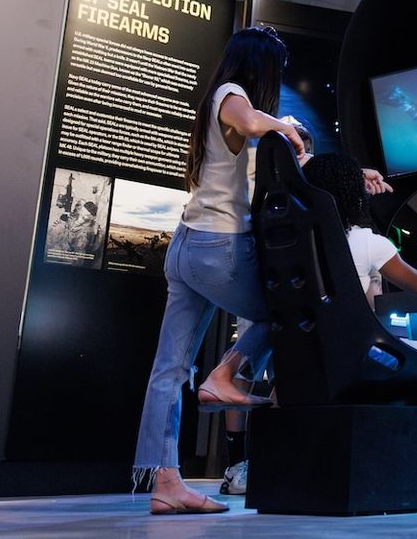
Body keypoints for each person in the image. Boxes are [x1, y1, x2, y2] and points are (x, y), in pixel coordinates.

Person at [131, 27, 305, 515]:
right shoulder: (233, 95)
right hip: (217, 247)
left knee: (169, 368)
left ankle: (166, 482)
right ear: (260, 66)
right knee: (283, 314)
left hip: (186, 245)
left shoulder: (215, 99)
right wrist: (286, 125)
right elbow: (251, 123)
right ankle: (227, 373)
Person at [303, 152, 417, 505]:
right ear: (351, 195)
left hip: (312, 359)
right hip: (365, 358)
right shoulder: (368, 241)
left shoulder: (300, 242)